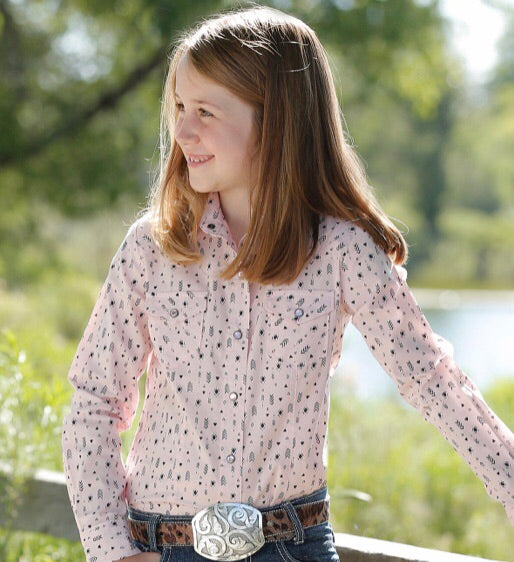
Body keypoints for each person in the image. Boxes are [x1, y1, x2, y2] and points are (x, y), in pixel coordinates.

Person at [61, 4, 514, 562]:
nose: (182, 130)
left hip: (293, 547)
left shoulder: (343, 249)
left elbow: (431, 378)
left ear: (275, 119)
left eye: (205, 111)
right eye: (179, 107)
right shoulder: (152, 249)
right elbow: (95, 401)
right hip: (160, 547)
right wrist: (111, 549)